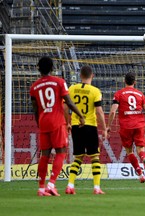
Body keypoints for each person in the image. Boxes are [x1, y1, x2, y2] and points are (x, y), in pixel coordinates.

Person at [30, 56, 85, 196]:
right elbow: (69, 102)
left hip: (43, 122)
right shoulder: (60, 82)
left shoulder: (34, 86)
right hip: (57, 121)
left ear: (38, 69)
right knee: (61, 152)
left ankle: (41, 188)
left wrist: (39, 123)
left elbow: (35, 109)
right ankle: (51, 184)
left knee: (45, 155)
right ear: (52, 68)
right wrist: (80, 115)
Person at [65, 65, 107, 195]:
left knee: (78, 157)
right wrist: (104, 128)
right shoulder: (95, 91)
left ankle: (70, 185)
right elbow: (99, 112)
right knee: (94, 157)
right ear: (92, 76)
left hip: (76, 126)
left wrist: (67, 122)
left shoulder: (72, 88)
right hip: (90, 125)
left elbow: (65, 108)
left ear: (80, 76)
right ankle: (96, 187)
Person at [106, 72, 145, 183]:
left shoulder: (119, 94)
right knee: (140, 148)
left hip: (126, 126)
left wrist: (108, 126)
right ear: (134, 82)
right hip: (139, 125)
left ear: (124, 81)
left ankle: (141, 174)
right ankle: (144, 158)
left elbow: (112, 111)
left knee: (129, 151)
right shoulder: (140, 94)